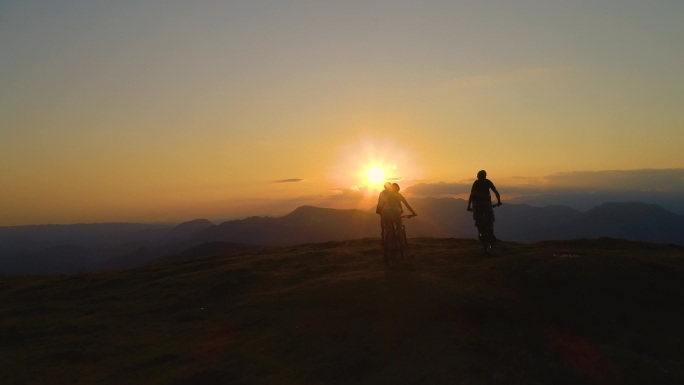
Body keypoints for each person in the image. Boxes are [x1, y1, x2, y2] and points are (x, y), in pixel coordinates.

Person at [376, 182, 417, 247]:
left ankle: (390, 244)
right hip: (396, 213)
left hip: (385, 213)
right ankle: (402, 245)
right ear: (398, 189)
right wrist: (413, 213)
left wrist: (380, 211)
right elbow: (407, 205)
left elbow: (380, 204)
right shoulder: (399, 195)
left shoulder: (385, 194)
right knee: (399, 228)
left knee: (389, 230)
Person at [466, 170, 502, 240]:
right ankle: (491, 234)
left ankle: (480, 233)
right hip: (486, 203)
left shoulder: (476, 183)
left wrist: (468, 206)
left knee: (477, 217)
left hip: (476, 203)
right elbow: (496, 192)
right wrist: (499, 201)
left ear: (478, 176)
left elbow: (472, 195)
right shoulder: (488, 182)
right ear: (485, 176)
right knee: (490, 218)